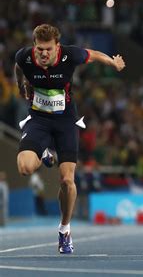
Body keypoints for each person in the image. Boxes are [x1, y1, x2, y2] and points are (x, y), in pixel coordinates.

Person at [15, 24, 126, 253]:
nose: (43, 54)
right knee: (25, 167)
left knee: (67, 181)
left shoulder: (70, 54)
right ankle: (44, 152)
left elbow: (94, 54)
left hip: (65, 121)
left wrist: (113, 62)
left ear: (57, 47)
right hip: (38, 119)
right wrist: (21, 85)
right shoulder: (25, 57)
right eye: (39, 49)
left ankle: (64, 229)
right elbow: (18, 66)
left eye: (48, 49)